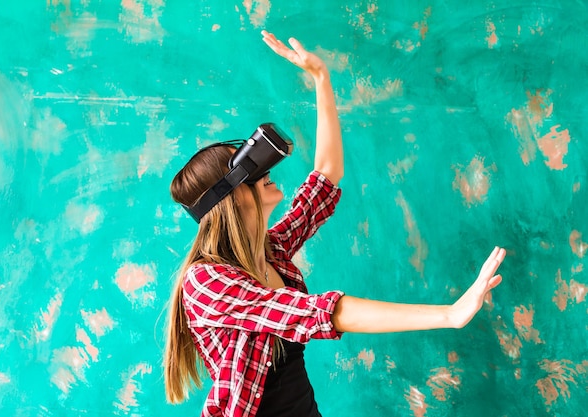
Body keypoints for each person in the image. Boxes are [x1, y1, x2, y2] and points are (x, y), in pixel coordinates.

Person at [163, 30, 506, 417]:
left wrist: (321, 78)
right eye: (249, 167)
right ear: (230, 196)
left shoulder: (269, 253)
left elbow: (326, 175)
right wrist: (449, 314)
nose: (267, 169)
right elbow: (320, 312)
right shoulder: (206, 282)